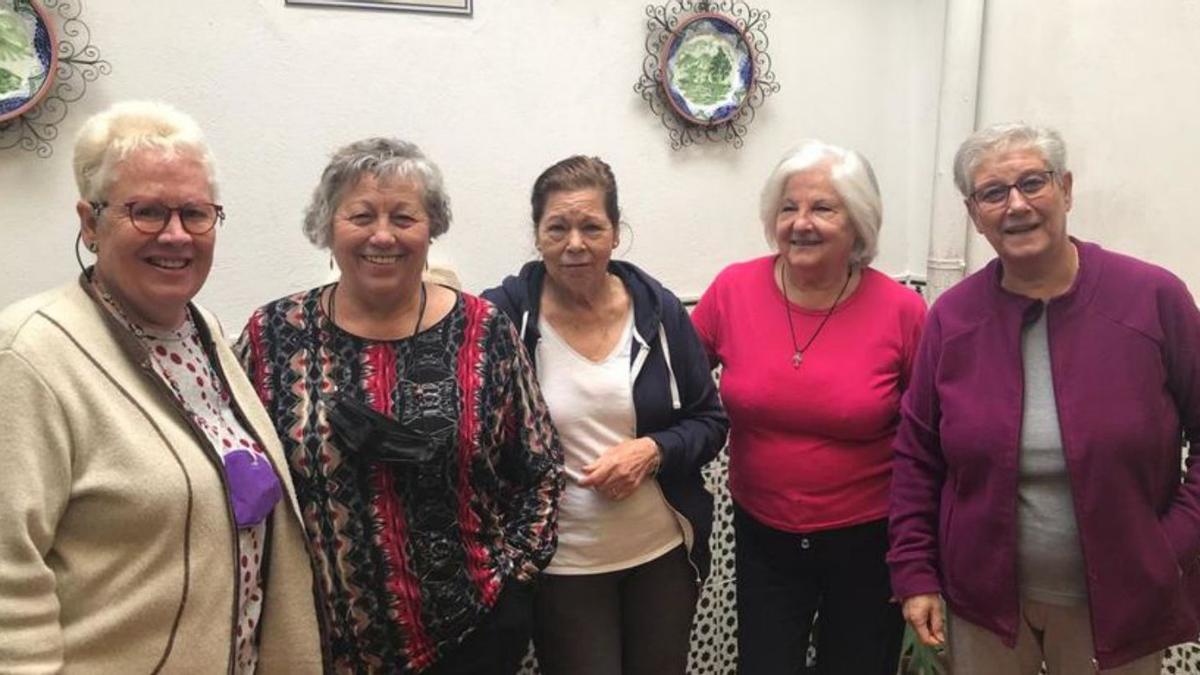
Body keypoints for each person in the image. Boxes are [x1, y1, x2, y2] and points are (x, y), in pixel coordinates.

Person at [0, 101, 323, 672]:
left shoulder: (206, 336)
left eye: (195, 214)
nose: (175, 235)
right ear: (90, 222)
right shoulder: (30, 353)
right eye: (146, 211)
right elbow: (9, 577)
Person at [236, 137, 563, 674]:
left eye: (404, 217)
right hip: (319, 645)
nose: (382, 235)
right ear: (328, 227)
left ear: (431, 227)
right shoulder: (272, 336)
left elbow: (541, 467)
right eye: (361, 215)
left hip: (472, 636)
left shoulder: (484, 331)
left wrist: (513, 582)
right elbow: (236, 463)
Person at [888, 122, 1200, 674]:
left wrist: (1168, 544)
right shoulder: (953, 319)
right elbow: (918, 458)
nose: (1016, 205)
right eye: (993, 192)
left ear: (1067, 189)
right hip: (982, 608)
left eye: (1033, 182)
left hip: (1119, 603)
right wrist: (915, 573)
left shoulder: (1154, 299)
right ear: (973, 211)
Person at [482, 155, 728, 675]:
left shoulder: (659, 312)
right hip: (563, 562)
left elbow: (710, 421)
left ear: (616, 234)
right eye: (558, 227)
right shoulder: (503, 319)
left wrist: (653, 450)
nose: (575, 243)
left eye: (591, 226)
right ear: (538, 235)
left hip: (660, 556)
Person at [691, 140, 925, 674]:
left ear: (858, 223)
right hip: (763, 534)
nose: (800, 223)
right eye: (788, 208)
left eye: (822, 208)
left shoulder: (903, 311)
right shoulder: (732, 290)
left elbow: (929, 438)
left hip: (868, 539)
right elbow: (675, 383)